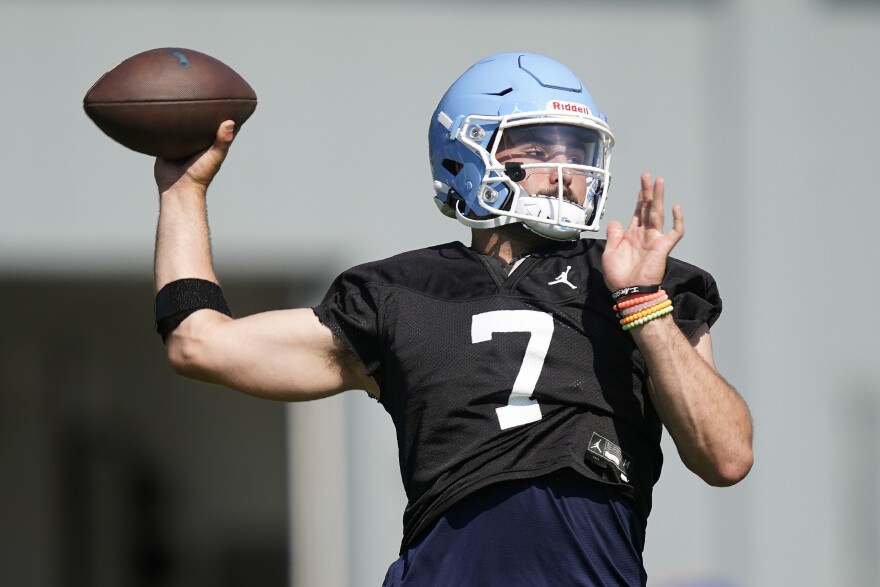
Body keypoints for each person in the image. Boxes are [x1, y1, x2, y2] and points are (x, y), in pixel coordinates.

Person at [152, 52, 753, 586]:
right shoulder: (397, 291)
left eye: (577, 150)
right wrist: (184, 191)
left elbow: (726, 457)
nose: (565, 171)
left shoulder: (646, 279)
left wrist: (643, 305)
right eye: (539, 148)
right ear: (466, 152)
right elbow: (199, 344)